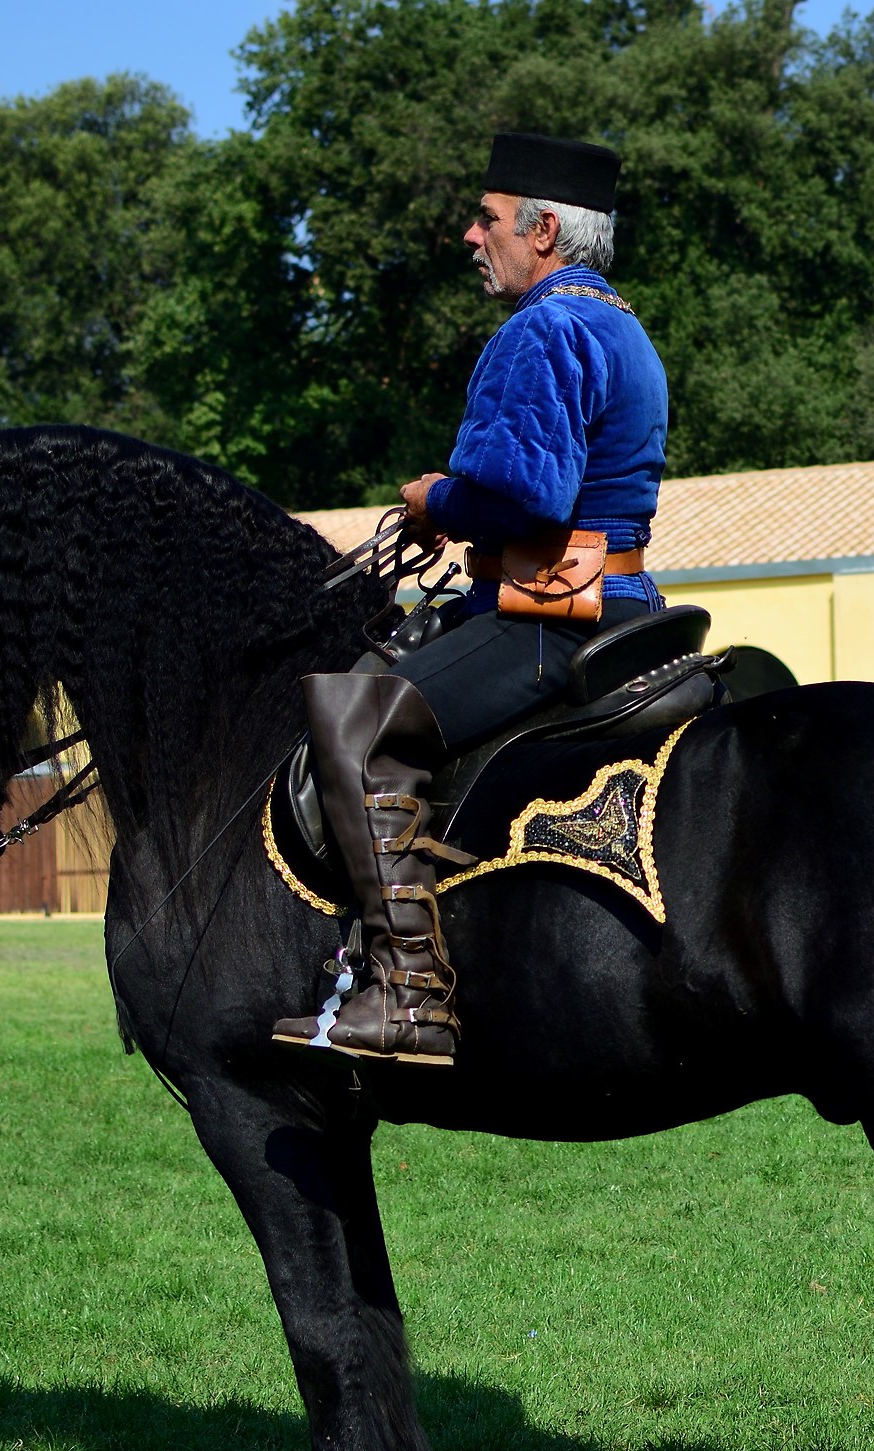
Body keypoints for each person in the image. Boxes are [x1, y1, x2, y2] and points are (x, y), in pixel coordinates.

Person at [273, 131, 670, 1066]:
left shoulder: (544, 327)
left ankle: (407, 992)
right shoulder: (624, 326)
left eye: (487, 219)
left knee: (353, 722)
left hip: (547, 618)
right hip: (628, 598)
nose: (469, 234)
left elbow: (524, 487)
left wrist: (435, 498)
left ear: (542, 231)